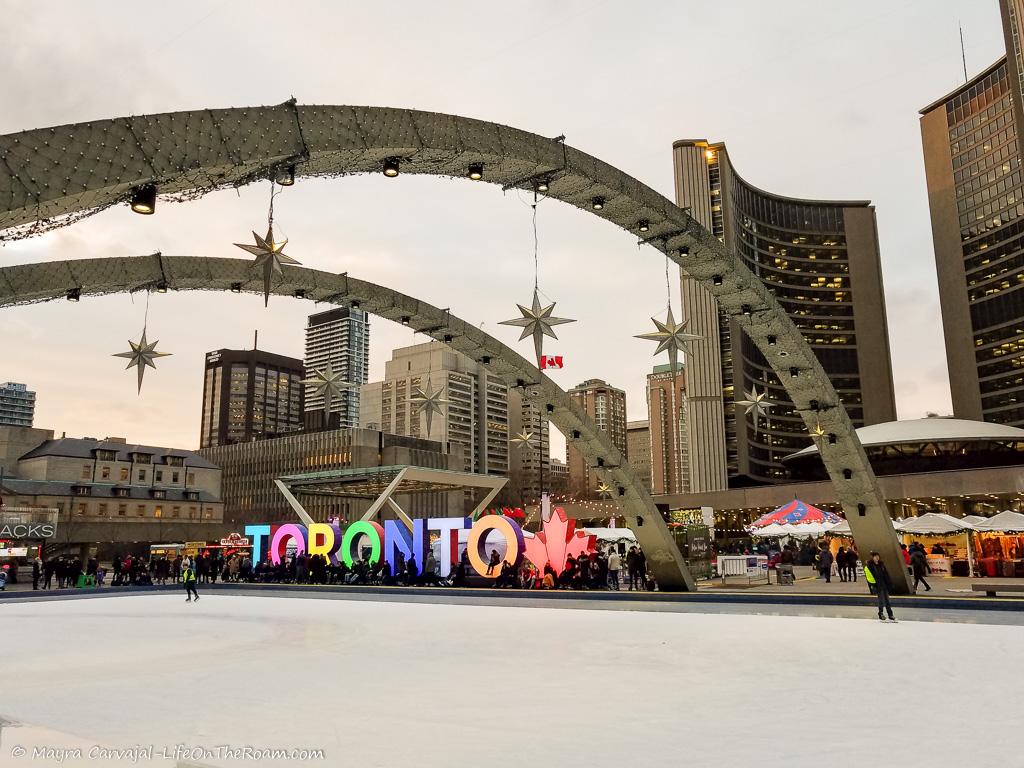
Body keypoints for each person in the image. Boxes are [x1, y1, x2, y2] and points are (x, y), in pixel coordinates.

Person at [864, 551, 895, 621]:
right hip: (878, 586)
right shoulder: (870, 566)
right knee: (881, 600)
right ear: (873, 557)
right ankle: (881, 614)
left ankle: (890, 614)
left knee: (887, 601)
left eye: (878, 556)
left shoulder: (881, 565)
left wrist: (889, 583)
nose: (877, 558)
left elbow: (886, 575)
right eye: (875, 556)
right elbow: (869, 577)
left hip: (884, 585)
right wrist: (873, 585)